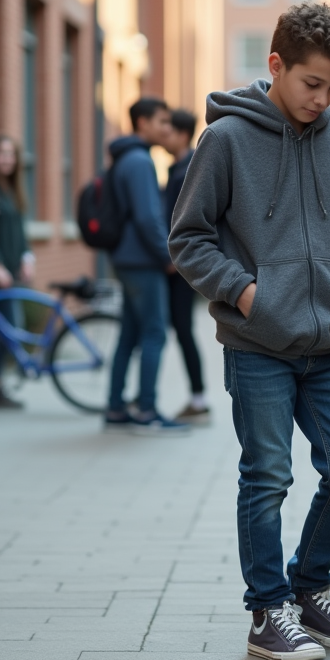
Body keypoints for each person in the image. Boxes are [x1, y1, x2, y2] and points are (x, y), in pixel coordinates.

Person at [170, 2, 330, 660]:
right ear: (276, 65)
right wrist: (247, 293)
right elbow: (188, 239)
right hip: (258, 345)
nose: (322, 99)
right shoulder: (227, 141)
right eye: (311, 84)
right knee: (267, 477)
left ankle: (309, 589)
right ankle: (268, 611)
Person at [103, 97, 189, 435]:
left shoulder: (125, 157)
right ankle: (147, 411)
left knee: (129, 334)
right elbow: (146, 217)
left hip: (127, 259)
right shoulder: (139, 161)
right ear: (143, 124)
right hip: (142, 261)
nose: (167, 129)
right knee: (154, 332)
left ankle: (115, 406)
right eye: (162, 122)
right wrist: (167, 257)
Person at [0, 135, 35, 409]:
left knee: (5, 330)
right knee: (4, 330)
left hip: (11, 273)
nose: (6, 159)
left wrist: (26, 256)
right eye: (1, 153)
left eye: (11, 154)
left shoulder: (12, 190)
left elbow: (19, 231)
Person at [160, 108, 210, 424]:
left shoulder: (187, 170)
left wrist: (175, 259)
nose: (163, 136)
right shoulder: (177, 168)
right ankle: (197, 398)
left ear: (181, 135)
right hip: (174, 265)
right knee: (177, 330)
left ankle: (199, 399)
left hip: (177, 268)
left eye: (168, 131)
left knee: (182, 331)